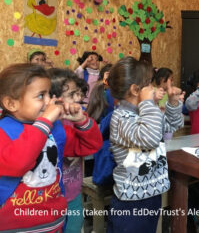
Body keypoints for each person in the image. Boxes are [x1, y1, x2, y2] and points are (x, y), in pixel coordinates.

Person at [0, 63, 102, 232]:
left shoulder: (55, 128)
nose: (49, 101)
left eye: (49, 94)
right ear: (11, 103)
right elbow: (17, 163)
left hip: (54, 223)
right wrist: (45, 122)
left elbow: (89, 146)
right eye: (41, 96)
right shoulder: (4, 130)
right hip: (15, 226)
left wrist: (81, 121)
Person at [106, 57, 184, 233]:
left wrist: (172, 102)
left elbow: (172, 125)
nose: (153, 88)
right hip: (131, 202)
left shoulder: (145, 111)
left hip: (151, 194)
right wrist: (148, 103)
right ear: (135, 90)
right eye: (149, 84)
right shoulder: (121, 117)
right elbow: (149, 139)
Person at [47, 68, 89, 233]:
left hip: (74, 193)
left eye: (79, 93)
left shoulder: (77, 120)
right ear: (54, 99)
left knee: (74, 226)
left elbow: (91, 146)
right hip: (50, 198)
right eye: (73, 94)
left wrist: (82, 122)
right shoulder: (47, 126)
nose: (79, 98)